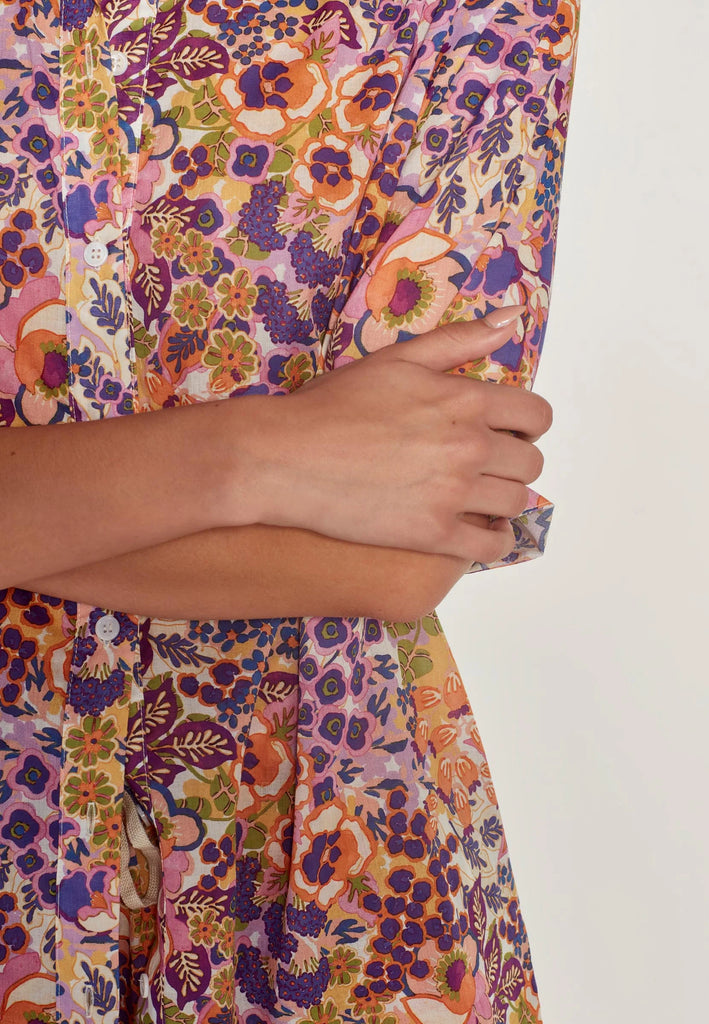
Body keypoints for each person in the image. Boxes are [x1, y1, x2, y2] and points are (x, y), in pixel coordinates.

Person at [0, 0, 581, 1021]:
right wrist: (252, 457)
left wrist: (42, 502)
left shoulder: (475, 15)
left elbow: (401, 553)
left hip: (309, 860)